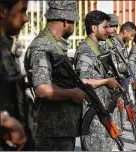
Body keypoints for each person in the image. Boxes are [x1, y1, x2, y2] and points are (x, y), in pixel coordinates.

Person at [24, 0, 87, 151]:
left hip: (61, 131)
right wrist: (73, 93)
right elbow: (42, 89)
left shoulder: (55, 47)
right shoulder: (43, 46)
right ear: (66, 22)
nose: (74, 26)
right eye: (74, 22)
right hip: (50, 134)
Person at [74, 10, 121, 151]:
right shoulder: (86, 51)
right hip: (93, 114)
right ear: (94, 28)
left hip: (103, 110)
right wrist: (106, 81)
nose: (108, 30)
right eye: (105, 27)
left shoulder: (99, 48)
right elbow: (82, 81)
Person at [0, 0, 33, 150]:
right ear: (2, 11)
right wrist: (6, 121)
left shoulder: (5, 47)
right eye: (22, 10)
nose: (26, 18)